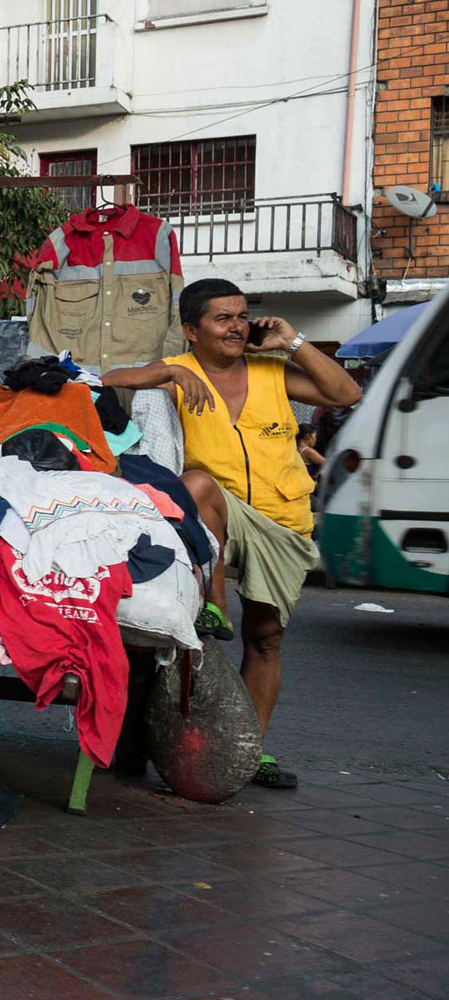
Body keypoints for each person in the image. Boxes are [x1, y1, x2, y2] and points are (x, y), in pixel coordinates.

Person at [103, 277, 360, 789]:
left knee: (266, 638)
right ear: (191, 330)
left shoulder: (273, 371)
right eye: (223, 318)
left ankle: (248, 750)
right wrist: (168, 368)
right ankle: (214, 601)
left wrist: (293, 340)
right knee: (195, 483)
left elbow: (346, 392)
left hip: (282, 517)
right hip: (217, 511)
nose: (238, 327)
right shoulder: (179, 374)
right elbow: (109, 377)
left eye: (243, 316)